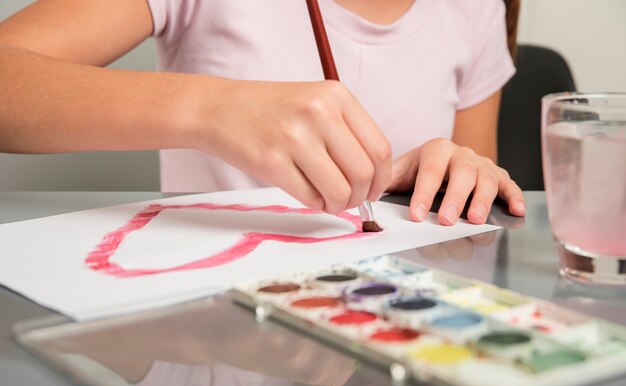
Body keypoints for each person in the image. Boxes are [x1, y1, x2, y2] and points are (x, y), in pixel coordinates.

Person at [0, 0, 525, 225]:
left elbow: (467, 213)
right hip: (212, 326)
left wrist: (455, 172)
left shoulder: (475, 10)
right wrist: (212, 107)